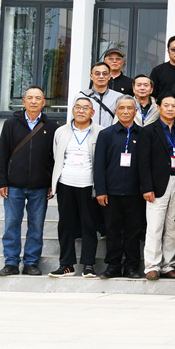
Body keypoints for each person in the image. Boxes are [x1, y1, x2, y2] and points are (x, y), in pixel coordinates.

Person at [0, 87, 57, 277]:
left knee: (36, 226)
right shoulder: (11, 124)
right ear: (23, 101)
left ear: (44, 102)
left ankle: (31, 262)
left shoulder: (51, 126)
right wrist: (1, 182)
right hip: (14, 185)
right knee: (11, 224)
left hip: (40, 187)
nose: (33, 101)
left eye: (38, 98)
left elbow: (54, 158)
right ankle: (11, 262)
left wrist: (51, 183)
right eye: (30, 98)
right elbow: (2, 154)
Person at [48, 97, 102, 278]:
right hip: (65, 183)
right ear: (72, 110)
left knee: (89, 225)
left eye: (86, 108)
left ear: (92, 112)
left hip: (88, 185)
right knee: (65, 225)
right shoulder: (61, 132)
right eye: (77, 107)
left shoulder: (100, 132)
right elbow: (56, 156)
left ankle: (88, 265)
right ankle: (66, 265)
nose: (81, 111)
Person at [93, 97, 146, 279]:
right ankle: (113, 266)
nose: (125, 111)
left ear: (135, 111)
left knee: (133, 231)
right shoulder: (106, 134)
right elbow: (99, 165)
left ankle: (131, 266)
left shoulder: (143, 134)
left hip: (135, 193)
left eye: (129, 108)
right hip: (111, 192)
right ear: (116, 111)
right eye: (121, 108)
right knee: (112, 230)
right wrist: (100, 190)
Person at [137, 94, 175, 280]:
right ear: (159, 107)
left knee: (172, 226)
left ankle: (168, 265)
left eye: (173, 106)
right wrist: (147, 187)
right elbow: (143, 162)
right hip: (157, 184)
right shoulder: (149, 131)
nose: (170, 109)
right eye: (166, 105)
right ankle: (152, 266)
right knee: (155, 226)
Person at [81, 62, 125, 128]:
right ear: (91, 77)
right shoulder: (81, 96)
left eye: (105, 73)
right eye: (97, 74)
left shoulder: (119, 97)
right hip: (88, 133)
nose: (101, 76)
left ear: (109, 76)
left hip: (110, 134)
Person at [149, 36, 175, 102]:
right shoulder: (158, 70)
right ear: (168, 52)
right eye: (173, 49)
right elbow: (152, 95)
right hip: (162, 107)